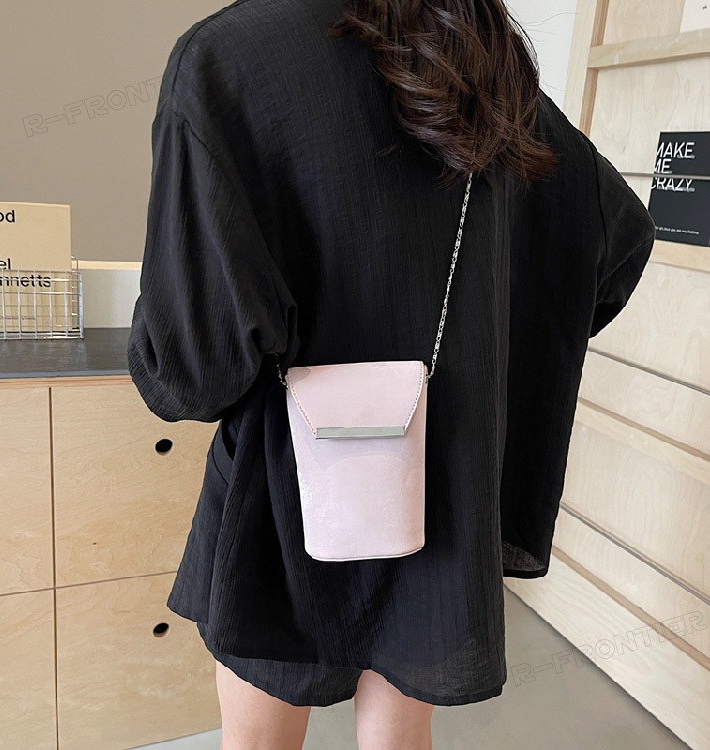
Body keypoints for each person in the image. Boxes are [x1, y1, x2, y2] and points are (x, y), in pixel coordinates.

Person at [127, 0, 657, 748]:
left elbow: (191, 370)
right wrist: (491, 348)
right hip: (442, 480)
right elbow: (616, 241)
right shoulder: (479, 63)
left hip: (285, 486)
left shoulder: (228, 61)